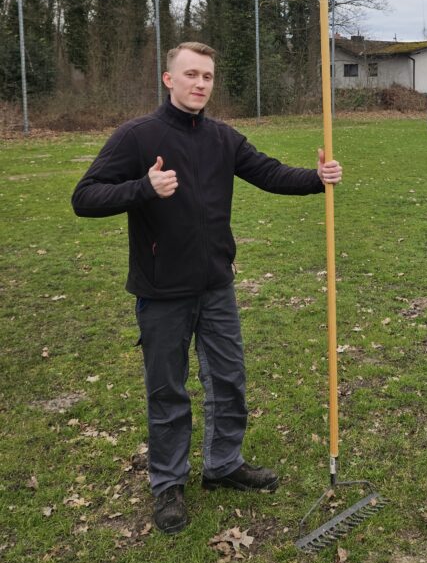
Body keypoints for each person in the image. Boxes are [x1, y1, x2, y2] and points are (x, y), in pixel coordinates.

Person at [71, 42, 342, 535]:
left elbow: (268, 172)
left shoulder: (223, 138)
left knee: (228, 379)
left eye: (208, 76)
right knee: (167, 391)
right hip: (161, 291)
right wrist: (143, 189)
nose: (200, 83)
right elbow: (84, 197)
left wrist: (315, 178)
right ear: (168, 79)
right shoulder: (137, 136)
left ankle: (223, 464)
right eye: (191, 74)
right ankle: (168, 484)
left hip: (216, 285)